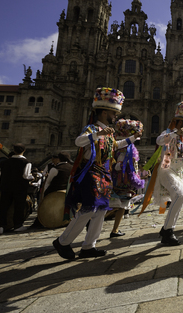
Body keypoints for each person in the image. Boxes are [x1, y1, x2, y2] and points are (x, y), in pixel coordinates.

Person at [53, 88, 140, 259]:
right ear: (105, 111)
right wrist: (97, 134)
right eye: (114, 113)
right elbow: (79, 141)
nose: (115, 116)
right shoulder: (92, 128)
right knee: (88, 209)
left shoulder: (108, 132)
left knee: (101, 210)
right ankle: (62, 242)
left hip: (104, 175)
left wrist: (132, 138)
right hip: (91, 173)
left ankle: (88, 246)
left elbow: (115, 146)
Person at [140, 101, 183, 245]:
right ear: (178, 122)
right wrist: (176, 133)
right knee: (181, 195)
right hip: (166, 170)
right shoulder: (168, 133)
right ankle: (167, 231)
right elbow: (160, 140)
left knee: (179, 198)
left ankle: (168, 229)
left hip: (178, 173)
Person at [109, 119, 145, 238]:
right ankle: (91, 222)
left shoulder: (131, 148)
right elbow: (116, 165)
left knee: (123, 205)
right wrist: (124, 165)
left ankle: (115, 230)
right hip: (118, 181)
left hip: (127, 181)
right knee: (113, 205)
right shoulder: (120, 148)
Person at [0, 143, 34, 234]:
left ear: (14, 150)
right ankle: (17, 225)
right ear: (24, 151)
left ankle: (1, 226)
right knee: (18, 206)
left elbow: (0, 176)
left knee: (4, 207)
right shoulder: (26, 162)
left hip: (6, 188)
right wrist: (32, 178)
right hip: (20, 188)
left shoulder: (5, 162)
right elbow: (26, 175)